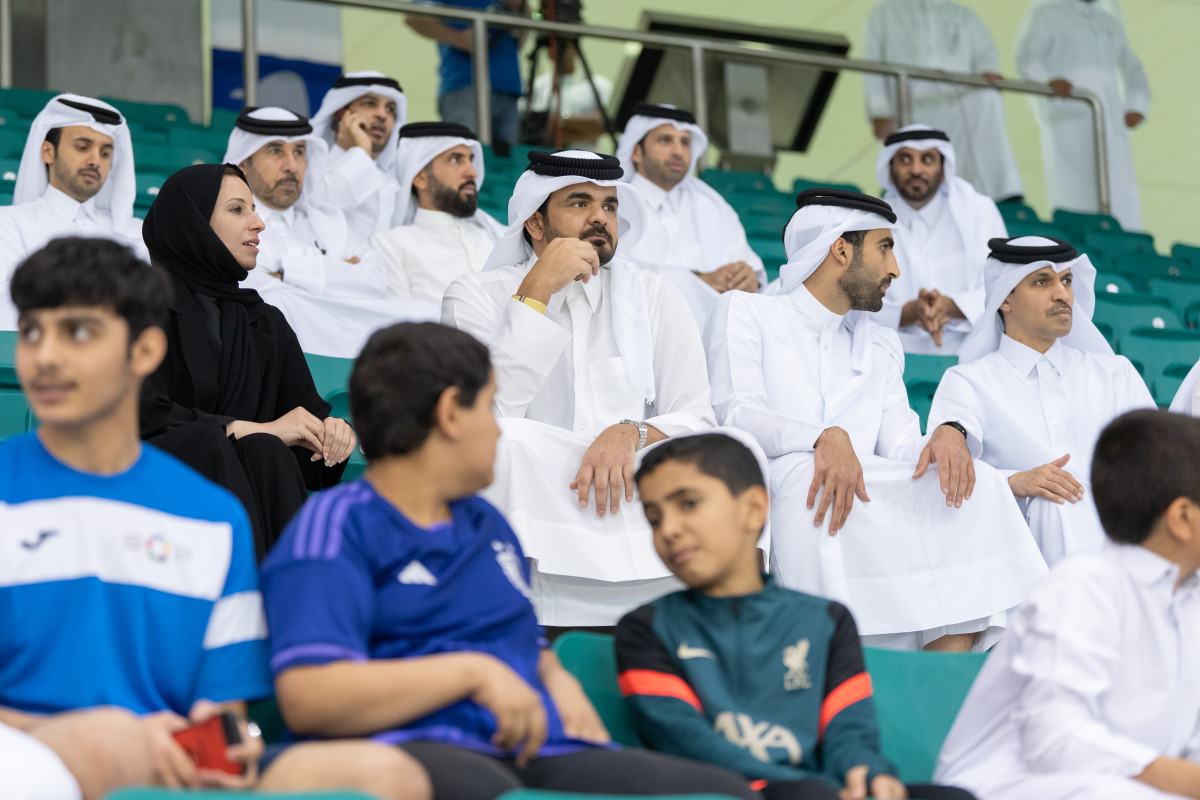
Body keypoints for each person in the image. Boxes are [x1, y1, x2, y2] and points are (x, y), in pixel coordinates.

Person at [0, 237, 429, 800]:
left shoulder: (212, 518)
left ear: (145, 352)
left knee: (388, 776)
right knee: (110, 743)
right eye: (32, 332)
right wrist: (97, 735)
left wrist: (225, 742)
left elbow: (220, 704)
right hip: (25, 749)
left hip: (166, 759)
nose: (46, 356)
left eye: (78, 333)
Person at [259, 321, 763, 800]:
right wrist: (472, 674)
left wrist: (553, 675)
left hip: (535, 746)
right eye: (488, 408)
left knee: (725, 793)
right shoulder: (337, 525)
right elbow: (310, 696)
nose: (499, 432)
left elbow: (509, 634)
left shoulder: (487, 525)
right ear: (452, 413)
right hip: (413, 744)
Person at [704, 188, 1046, 652]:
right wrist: (824, 439)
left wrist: (947, 435)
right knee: (816, 478)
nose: (895, 270)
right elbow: (735, 412)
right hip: (781, 482)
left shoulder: (882, 344)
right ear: (840, 248)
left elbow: (903, 445)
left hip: (869, 482)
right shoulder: (748, 311)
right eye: (884, 248)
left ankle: (935, 671)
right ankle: (830, 657)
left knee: (977, 485)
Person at [616, 431, 978, 800]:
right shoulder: (645, 629)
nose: (669, 530)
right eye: (655, 518)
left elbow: (849, 731)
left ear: (754, 508)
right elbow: (686, 743)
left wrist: (866, 774)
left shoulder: (827, 620)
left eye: (688, 504)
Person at [442, 150, 715, 630]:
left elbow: (697, 419)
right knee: (511, 442)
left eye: (609, 207)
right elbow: (487, 416)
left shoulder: (655, 296)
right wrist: (538, 290)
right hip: (537, 490)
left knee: (742, 450)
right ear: (535, 223)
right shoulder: (474, 293)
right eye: (579, 203)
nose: (600, 219)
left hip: (631, 484)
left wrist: (630, 432)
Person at [935, 408, 1200, 800]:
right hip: (1003, 787)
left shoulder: (1189, 598)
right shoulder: (1084, 586)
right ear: (1182, 518)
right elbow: (1055, 741)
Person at [139, 164, 356, 560]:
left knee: (266, 451)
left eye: (254, 209)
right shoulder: (139, 310)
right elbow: (140, 419)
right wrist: (252, 431)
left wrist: (334, 435)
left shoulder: (265, 321)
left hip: (256, 491)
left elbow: (307, 427)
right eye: (237, 210)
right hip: (159, 487)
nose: (258, 223)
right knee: (263, 447)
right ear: (192, 223)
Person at [928, 236, 1154, 566]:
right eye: (1041, 281)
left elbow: (1158, 463)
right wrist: (1015, 482)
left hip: (1118, 537)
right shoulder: (969, 382)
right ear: (1005, 298)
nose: (1062, 294)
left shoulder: (1114, 374)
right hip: (1012, 550)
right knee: (1054, 504)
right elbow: (947, 474)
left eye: (1066, 280)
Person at [224, 107, 439, 357]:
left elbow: (376, 281)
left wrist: (286, 272)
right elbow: (254, 291)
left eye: (299, 152)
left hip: (340, 320)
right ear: (243, 164)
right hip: (286, 327)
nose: (291, 165)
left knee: (427, 313)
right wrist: (334, 269)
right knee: (277, 307)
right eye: (275, 151)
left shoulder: (328, 218)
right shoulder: (227, 220)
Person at [0, 94, 145, 329]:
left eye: (106, 153)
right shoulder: (8, 224)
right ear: (47, 151)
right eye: (82, 147)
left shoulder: (138, 234)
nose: (95, 160)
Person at [616, 103, 765, 327]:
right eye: (665, 140)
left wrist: (750, 278)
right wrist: (697, 281)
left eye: (685, 142)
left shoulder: (712, 205)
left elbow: (747, 265)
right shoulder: (613, 202)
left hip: (710, 335)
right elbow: (614, 277)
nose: (678, 151)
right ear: (636, 151)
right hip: (635, 330)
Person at [861, 0, 1023, 201]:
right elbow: (873, 63)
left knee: (987, 98)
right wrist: (880, 112)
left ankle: (998, 195)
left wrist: (987, 73)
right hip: (910, 109)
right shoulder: (886, 10)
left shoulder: (966, 16)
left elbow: (986, 58)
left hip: (961, 102)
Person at [1016, 0, 1149, 231]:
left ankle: (1125, 241)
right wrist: (1048, 80)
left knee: (1119, 191)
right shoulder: (1047, 14)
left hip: (1111, 122)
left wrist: (1137, 105)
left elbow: (1133, 68)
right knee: (1078, 192)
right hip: (1071, 117)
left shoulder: (1109, 22)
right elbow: (1027, 57)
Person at [875, 126, 1008, 355]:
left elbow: (1004, 284)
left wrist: (952, 307)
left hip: (972, 356)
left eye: (927, 160)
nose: (916, 170)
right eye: (905, 159)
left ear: (943, 168)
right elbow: (853, 302)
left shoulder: (979, 212)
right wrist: (905, 313)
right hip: (888, 354)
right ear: (890, 168)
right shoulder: (870, 221)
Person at [371, 121, 505, 303]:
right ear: (419, 177)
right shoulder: (390, 245)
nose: (472, 172)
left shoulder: (492, 237)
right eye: (455, 159)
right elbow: (400, 323)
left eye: (471, 160)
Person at [406, 0, 527, 150]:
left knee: (507, 167)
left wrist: (520, 7)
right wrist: (457, 37)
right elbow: (412, 16)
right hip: (464, 85)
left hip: (509, 90)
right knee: (465, 155)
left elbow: (521, 41)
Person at [310, 71, 407, 240]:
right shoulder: (311, 171)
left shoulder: (398, 182)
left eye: (390, 109)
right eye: (369, 103)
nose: (382, 115)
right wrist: (362, 151)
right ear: (340, 114)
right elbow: (321, 212)